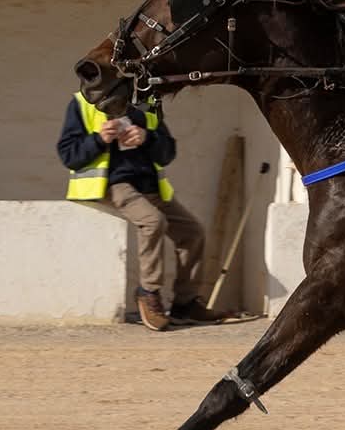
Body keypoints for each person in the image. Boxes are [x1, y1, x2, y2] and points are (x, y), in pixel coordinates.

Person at [57, 92, 227, 331]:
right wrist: (99, 139)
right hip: (115, 185)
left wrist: (147, 138)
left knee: (192, 232)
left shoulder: (147, 107)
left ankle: (185, 304)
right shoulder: (81, 104)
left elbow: (168, 153)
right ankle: (149, 292)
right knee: (152, 221)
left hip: (151, 187)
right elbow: (68, 155)